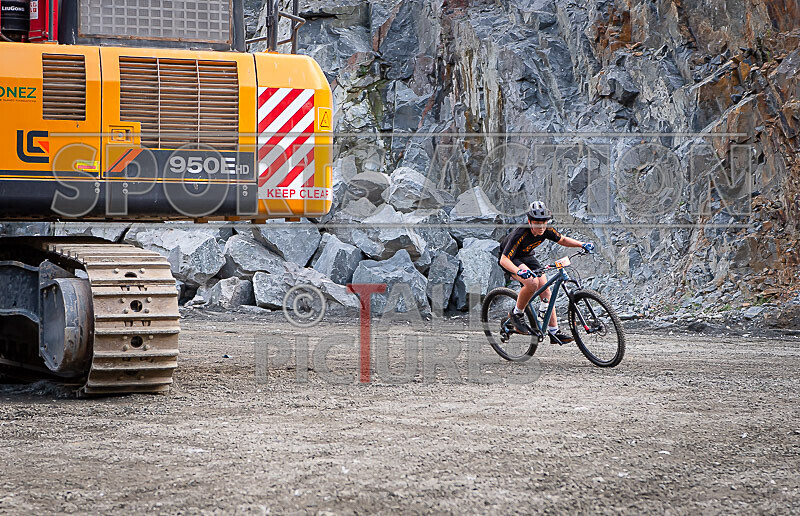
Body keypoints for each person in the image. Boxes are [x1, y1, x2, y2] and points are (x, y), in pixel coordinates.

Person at [498, 201, 595, 344]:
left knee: (546, 291)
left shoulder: (546, 229)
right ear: (530, 222)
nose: (542, 226)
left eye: (544, 222)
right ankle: (516, 314)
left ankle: (554, 332)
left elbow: (562, 239)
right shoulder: (520, 233)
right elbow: (503, 259)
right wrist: (519, 271)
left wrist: (581, 244)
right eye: (537, 223)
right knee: (532, 282)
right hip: (511, 260)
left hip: (527, 256)